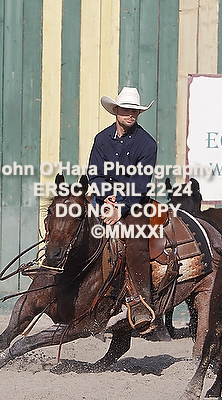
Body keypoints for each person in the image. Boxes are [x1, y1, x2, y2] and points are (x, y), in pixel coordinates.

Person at [88, 87, 157, 333]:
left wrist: (121, 206)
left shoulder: (147, 144)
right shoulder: (101, 139)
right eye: (126, 110)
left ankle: (140, 303)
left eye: (135, 111)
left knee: (136, 240)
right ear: (116, 110)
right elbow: (95, 173)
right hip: (104, 198)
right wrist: (106, 196)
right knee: (74, 228)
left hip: (134, 203)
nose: (131, 114)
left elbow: (141, 183)